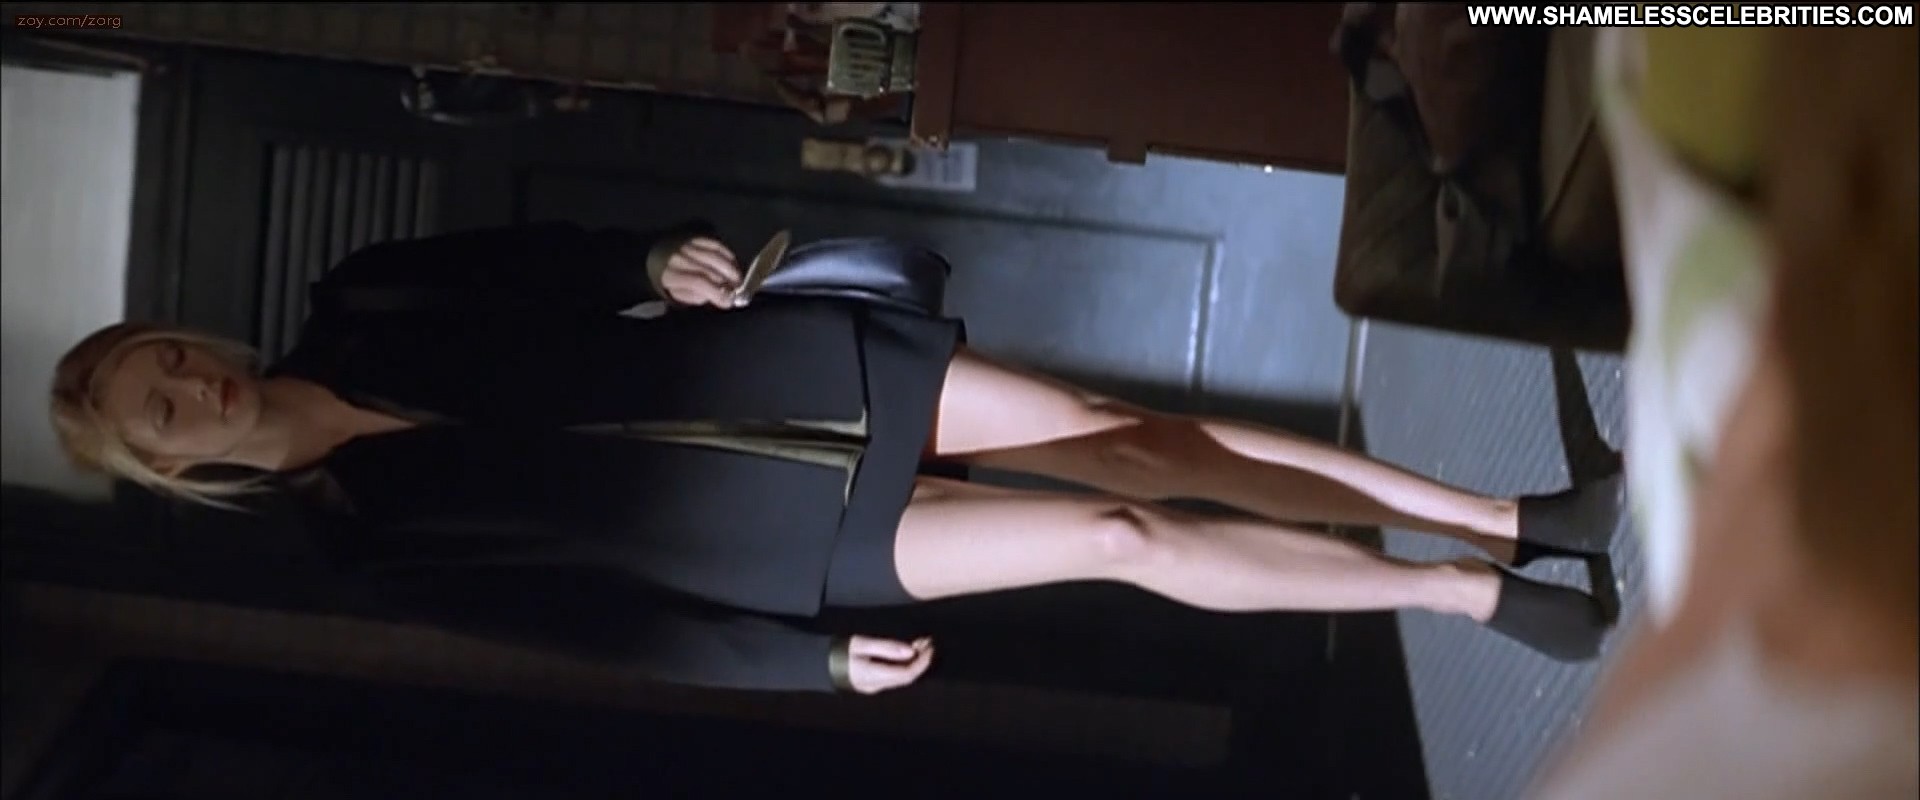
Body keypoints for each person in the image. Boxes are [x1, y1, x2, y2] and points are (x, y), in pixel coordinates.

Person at [48, 221, 1621, 696]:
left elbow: (559, 264)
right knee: (1118, 537)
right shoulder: (357, 546)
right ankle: (1462, 596)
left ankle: (1503, 511)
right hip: (775, 549)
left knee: (1129, 439)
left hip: (795, 368)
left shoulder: (365, 296)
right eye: (156, 411)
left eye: (161, 357)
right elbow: (598, 628)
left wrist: (657, 260)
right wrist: (799, 666)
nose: (187, 386)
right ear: (158, 464)